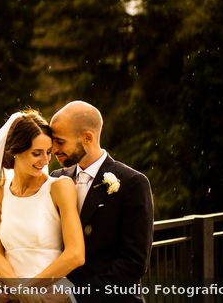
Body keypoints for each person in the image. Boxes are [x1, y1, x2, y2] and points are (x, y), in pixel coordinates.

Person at [0, 110, 84, 303]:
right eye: (36, 153)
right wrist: (17, 289)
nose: (44, 161)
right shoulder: (0, 192)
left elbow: (75, 254)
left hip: (50, 294)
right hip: (9, 294)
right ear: (16, 151)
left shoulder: (59, 187)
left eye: (48, 153)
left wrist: (27, 289)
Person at [49, 101, 153, 303]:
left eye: (60, 142)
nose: (53, 149)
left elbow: (134, 263)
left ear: (87, 137)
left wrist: (76, 295)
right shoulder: (55, 179)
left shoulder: (133, 183)